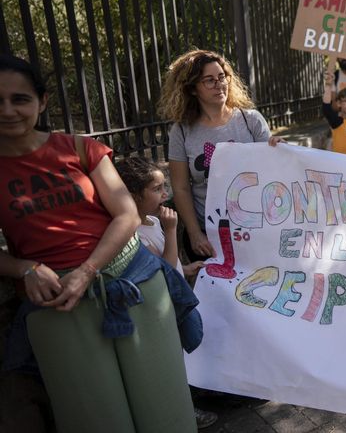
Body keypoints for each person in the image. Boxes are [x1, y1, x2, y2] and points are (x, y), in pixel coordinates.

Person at [0, 54, 200, 432]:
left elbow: (126, 214)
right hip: (57, 302)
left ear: (41, 102)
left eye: (20, 99)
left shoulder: (78, 148)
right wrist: (23, 268)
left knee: (167, 413)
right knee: (97, 418)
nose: (8, 110)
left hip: (133, 281)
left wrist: (87, 271)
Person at [115, 156, 218, 429]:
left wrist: (186, 268)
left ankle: (196, 393)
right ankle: (185, 408)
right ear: (135, 196)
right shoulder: (133, 235)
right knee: (172, 360)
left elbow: (172, 266)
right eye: (157, 189)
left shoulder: (150, 220)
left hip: (171, 300)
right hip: (161, 308)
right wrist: (172, 232)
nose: (166, 194)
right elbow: (163, 272)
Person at [160, 49, 282, 262]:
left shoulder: (250, 120)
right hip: (210, 236)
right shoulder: (181, 131)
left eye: (222, 77)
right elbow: (180, 187)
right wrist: (194, 232)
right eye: (209, 80)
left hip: (256, 230)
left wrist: (279, 150)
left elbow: (273, 170)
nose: (219, 84)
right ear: (193, 89)